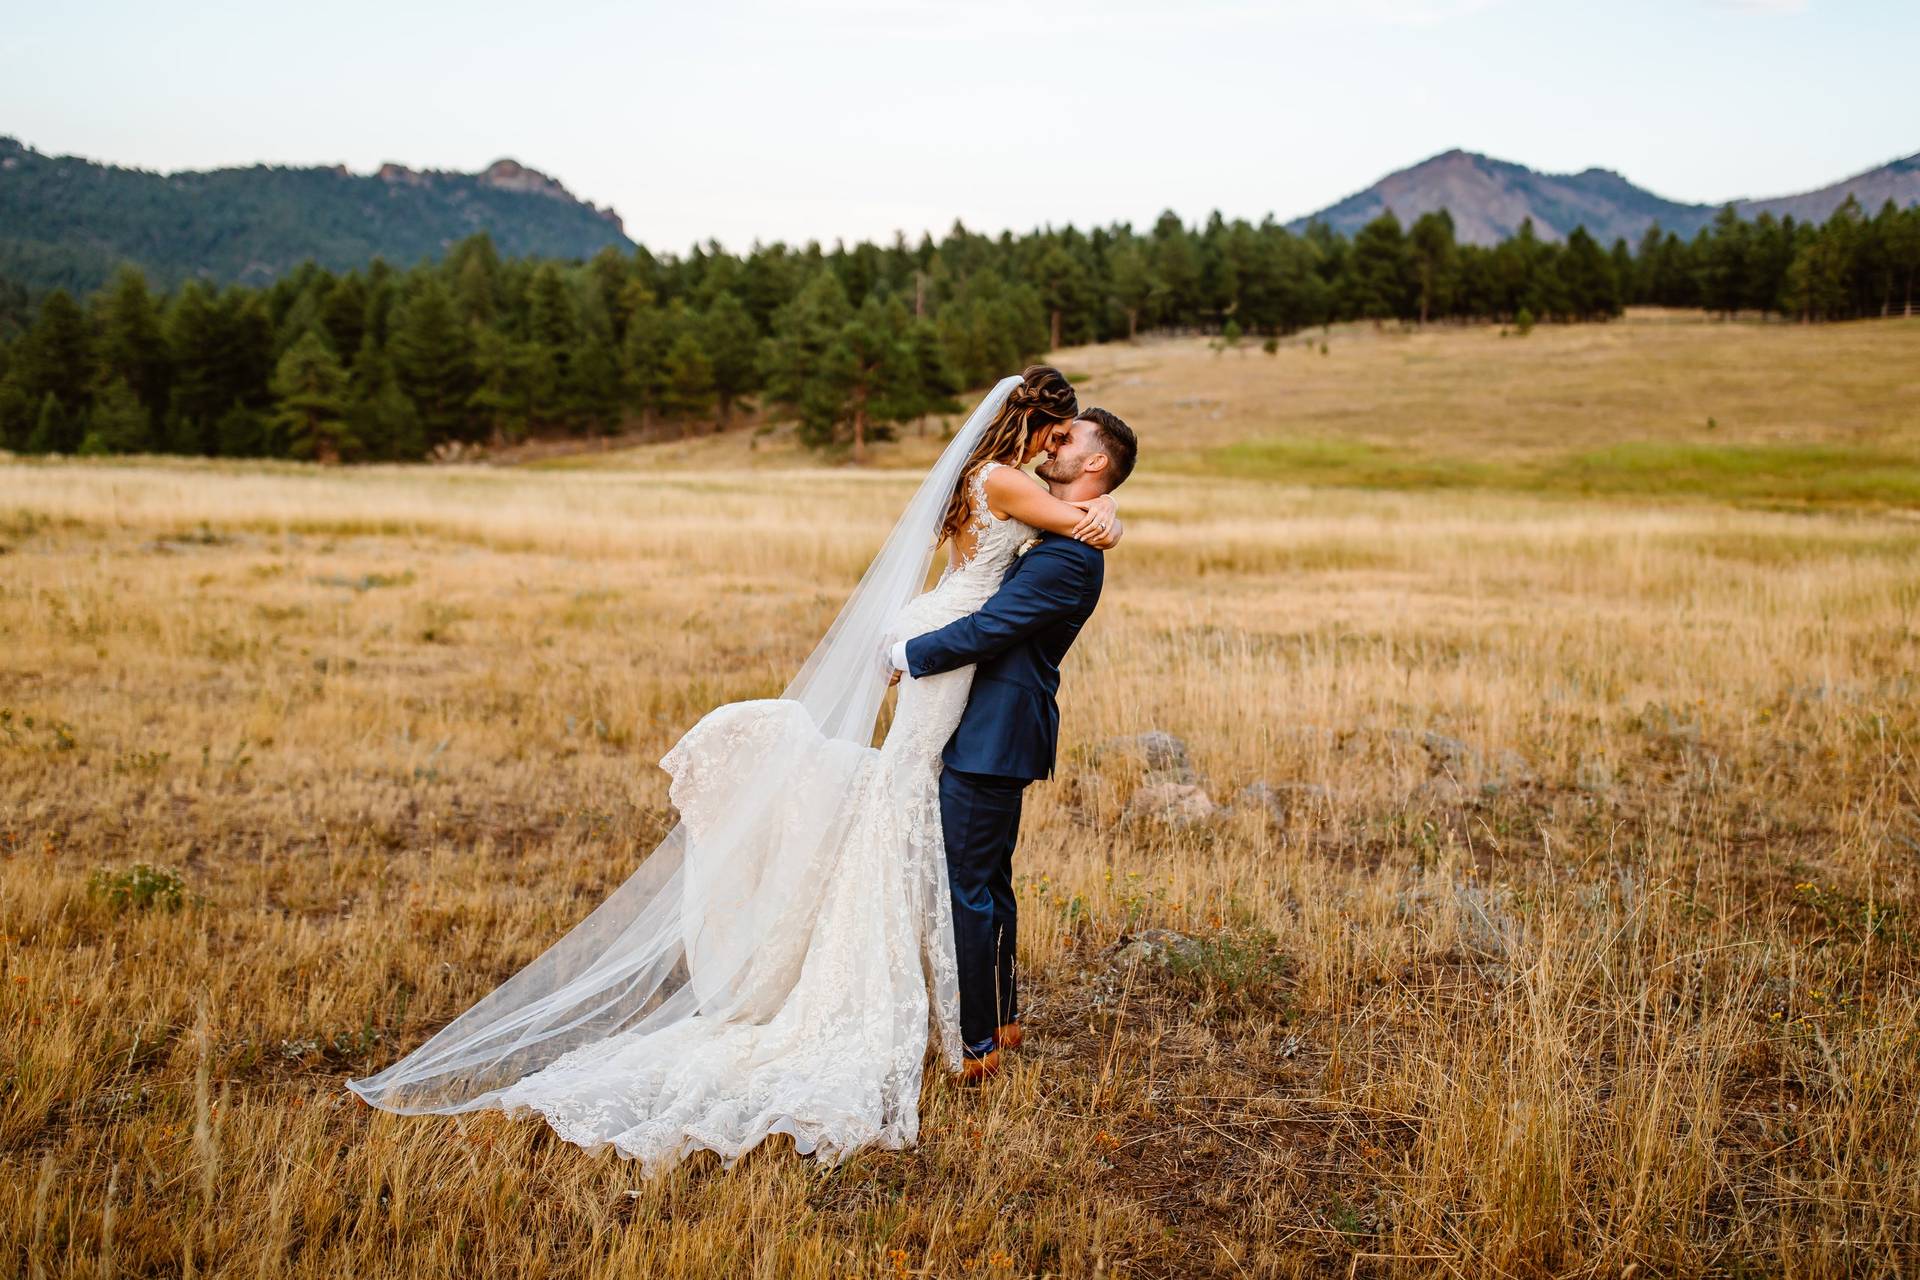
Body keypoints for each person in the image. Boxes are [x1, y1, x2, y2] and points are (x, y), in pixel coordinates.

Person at [345, 366, 1135, 1174]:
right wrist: (1100, 510)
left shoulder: (1022, 503)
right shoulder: (1017, 489)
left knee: (948, 847)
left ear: (1094, 462)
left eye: (1071, 443)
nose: (1057, 446)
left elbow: (1033, 576)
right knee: (931, 828)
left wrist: (1101, 508)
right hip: (951, 672)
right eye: (1057, 430)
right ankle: (975, 1032)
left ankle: (981, 1024)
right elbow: (1039, 557)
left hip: (967, 691)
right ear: (1037, 423)